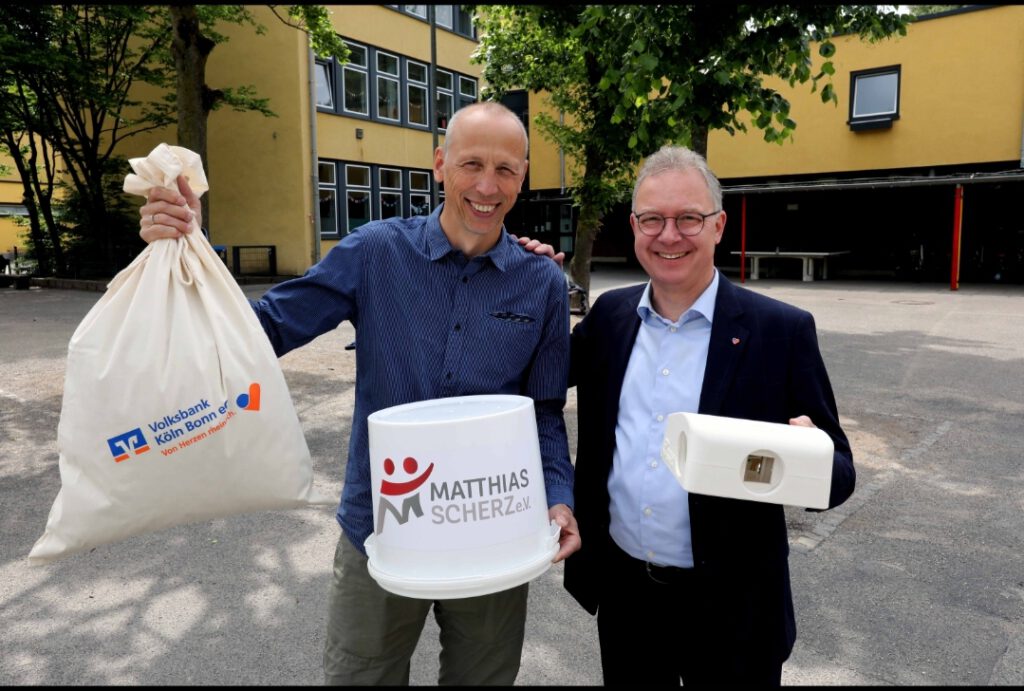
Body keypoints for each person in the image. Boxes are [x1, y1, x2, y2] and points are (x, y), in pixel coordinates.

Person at [137, 101, 581, 686]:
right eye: (471, 164)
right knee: (360, 677)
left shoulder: (541, 282)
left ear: (523, 177)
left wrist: (558, 494)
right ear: (440, 164)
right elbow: (263, 331)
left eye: (505, 170)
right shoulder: (376, 252)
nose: (486, 185)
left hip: (491, 525)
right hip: (382, 523)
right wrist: (184, 249)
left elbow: (545, 410)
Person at [562, 145, 854, 686]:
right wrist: (521, 276)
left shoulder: (780, 332)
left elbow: (839, 476)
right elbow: (536, 377)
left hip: (734, 608)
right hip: (626, 596)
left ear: (718, 225)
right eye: (652, 219)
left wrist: (807, 456)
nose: (668, 235)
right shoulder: (611, 317)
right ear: (633, 225)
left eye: (688, 218)